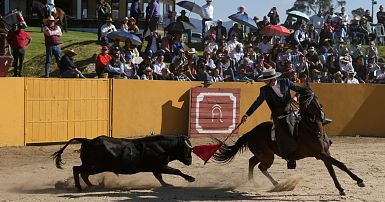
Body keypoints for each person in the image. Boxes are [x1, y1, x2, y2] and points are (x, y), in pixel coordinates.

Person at [241, 68, 308, 169]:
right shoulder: (264, 90)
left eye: (265, 80)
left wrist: (295, 97)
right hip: (278, 116)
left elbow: (300, 90)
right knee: (286, 129)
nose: (264, 81)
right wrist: (247, 114)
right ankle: (290, 157)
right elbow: (257, 103)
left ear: (272, 79)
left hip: (290, 111)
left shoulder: (285, 82)